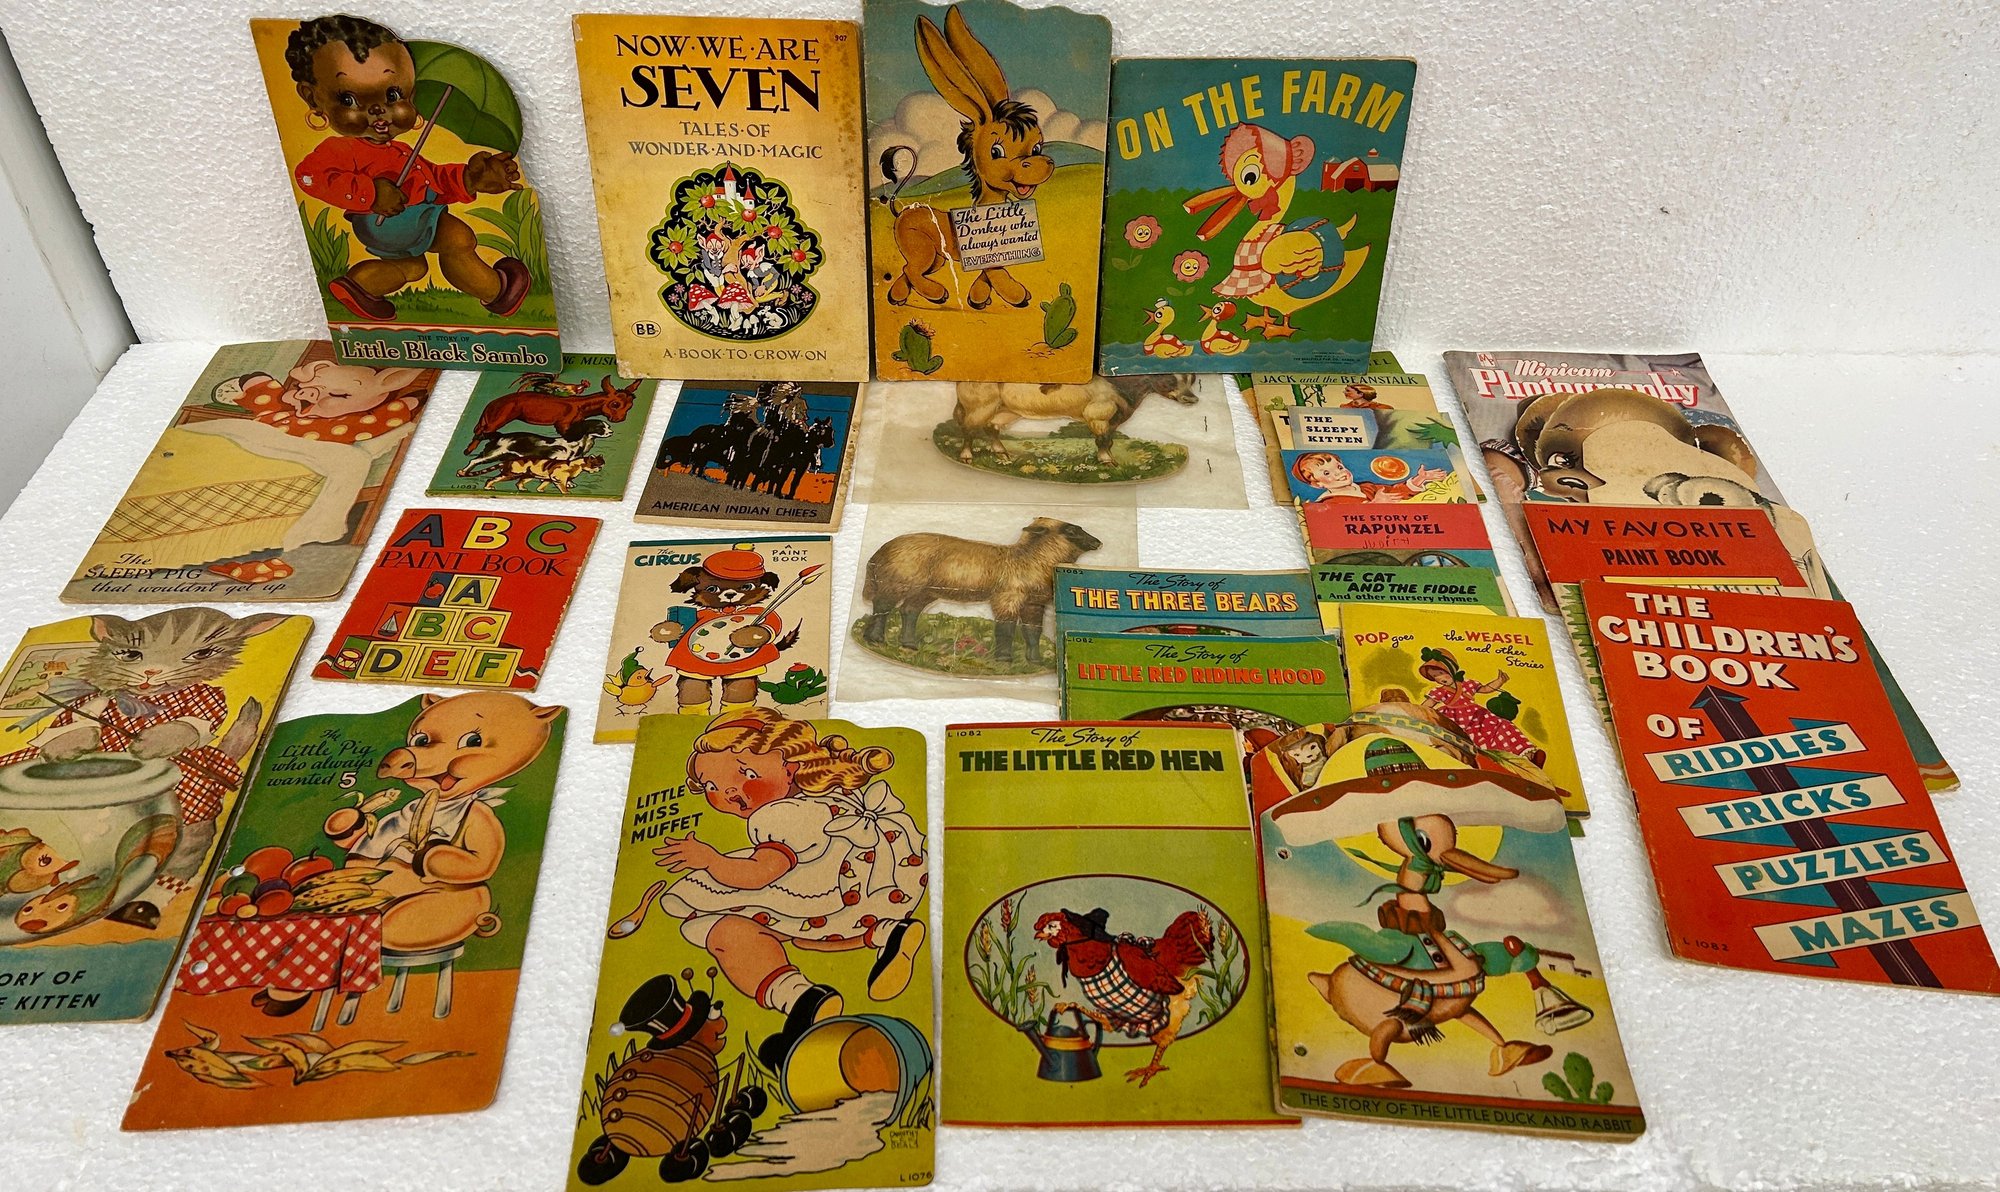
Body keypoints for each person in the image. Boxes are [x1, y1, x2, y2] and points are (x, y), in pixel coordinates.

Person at [651, 710, 928, 1069]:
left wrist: (710, 861)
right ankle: (890, 934)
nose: (729, 791)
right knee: (799, 934)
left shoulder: (777, 817)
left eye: (747, 773)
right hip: (872, 889)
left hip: (829, 894)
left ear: (791, 766)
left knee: (722, 930)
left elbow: (759, 874)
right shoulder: (833, 796)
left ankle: (799, 998)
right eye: (711, 787)